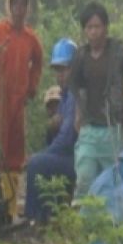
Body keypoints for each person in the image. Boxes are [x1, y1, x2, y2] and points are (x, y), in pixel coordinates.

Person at [68, 2, 123, 201]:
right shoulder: (81, 55)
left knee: (114, 183)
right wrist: (79, 114)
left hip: (113, 128)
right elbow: (75, 85)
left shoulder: (118, 52)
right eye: (89, 27)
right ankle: (83, 224)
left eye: (97, 27)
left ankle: (112, 226)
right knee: (85, 178)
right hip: (90, 129)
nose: (94, 32)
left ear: (105, 28)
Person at [0, 0, 44, 220]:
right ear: (9, 6)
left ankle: (10, 207)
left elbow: (38, 63)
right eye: (15, 4)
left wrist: (32, 88)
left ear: (27, 8)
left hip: (18, 104)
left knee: (15, 153)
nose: (19, 8)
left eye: (23, 4)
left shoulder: (31, 39)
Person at [24, 38, 79, 222]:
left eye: (64, 70)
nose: (60, 75)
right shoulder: (64, 96)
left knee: (37, 164)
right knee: (41, 158)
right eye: (58, 70)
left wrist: (41, 155)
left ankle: (36, 218)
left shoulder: (74, 95)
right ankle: (47, 214)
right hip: (70, 154)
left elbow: (66, 139)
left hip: (76, 156)